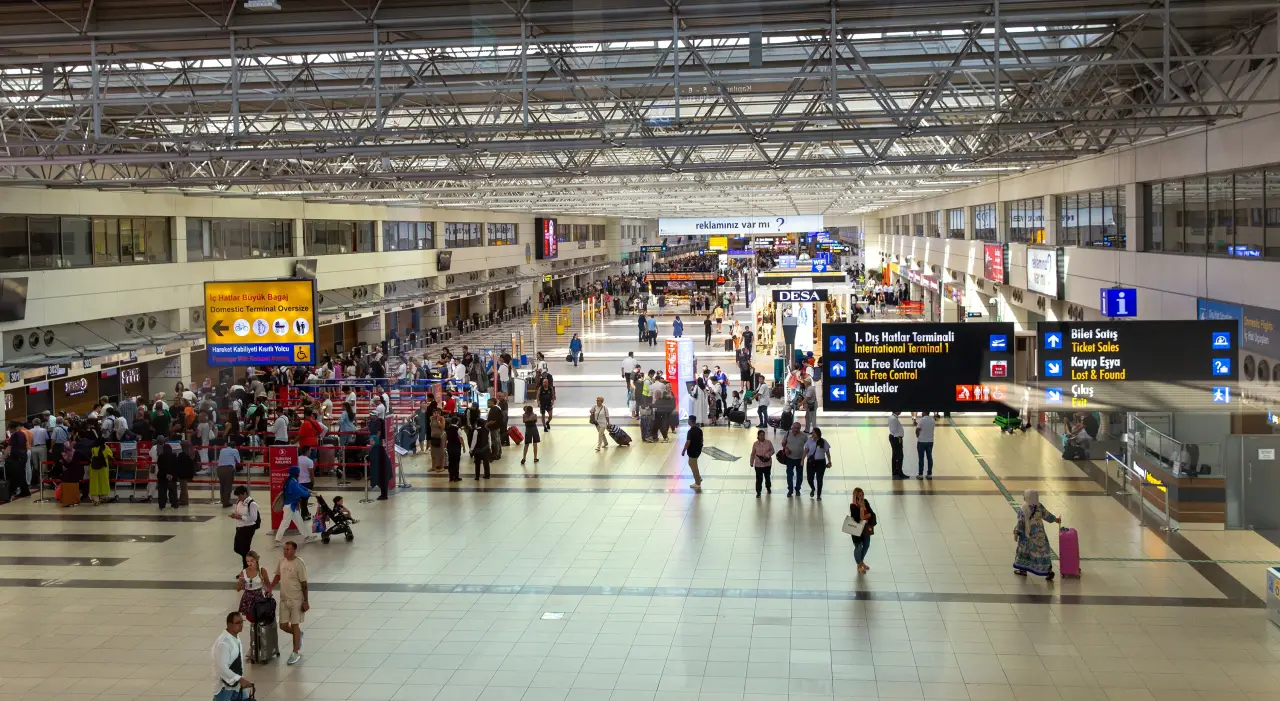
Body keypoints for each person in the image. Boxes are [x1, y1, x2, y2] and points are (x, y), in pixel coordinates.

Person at [270, 541, 309, 665]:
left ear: (294, 550)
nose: (285, 551)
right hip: (284, 599)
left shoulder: (299, 564)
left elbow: (304, 584)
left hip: (296, 599)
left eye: (288, 549)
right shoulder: (281, 561)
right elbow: (278, 575)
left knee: (295, 624)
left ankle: (295, 651)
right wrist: (270, 587)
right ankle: (298, 635)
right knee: (283, 625)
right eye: (284, 549)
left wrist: (306, 601)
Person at [1013, 489, 1060, 580]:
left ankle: (1023, 570)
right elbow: (1047, 515)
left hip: (1027, 535)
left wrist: (1016, 533)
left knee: (1025, 551)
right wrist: (1055, 519)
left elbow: (1020, 522)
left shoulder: (1023, 508)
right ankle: (1048, 570)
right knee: (1043, 551)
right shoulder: (1039, 506)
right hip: (1040, 534)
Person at [212, 611, 254, 701]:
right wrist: (240, 679)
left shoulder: (235, 637)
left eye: (242, 622)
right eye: (238, 623)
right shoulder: (223, 643)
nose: (241, 625)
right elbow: (222, 669)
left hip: (236, 686)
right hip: (225, 689)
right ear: (229, 625)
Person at [275, 466, 316, 545]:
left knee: (299, 522)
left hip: (292, 506)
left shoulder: (291, 480)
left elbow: (300, 487)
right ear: (296, 473)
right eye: (298, 472)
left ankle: (307, 537)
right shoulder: (292, 483)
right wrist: (310, 494)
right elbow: (300, 492)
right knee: (285, 523)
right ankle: (277, 540)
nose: (299, 473)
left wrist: (309, 490)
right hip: (290, 506)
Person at [230, 486, 260, 568]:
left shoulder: (252, 504)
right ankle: (251, 559)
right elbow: (238, 512)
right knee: (237, 548)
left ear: (245, 493)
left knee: (244, 550)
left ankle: (246, 569)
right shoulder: (239, 501)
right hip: (239, 528)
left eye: (240, 495)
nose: (239, 497)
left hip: (248, 529)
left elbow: (254, 518)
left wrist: (240, 517)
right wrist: (235, 515)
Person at [236, 550, 270, 623]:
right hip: (248, 596)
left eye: (252, 561)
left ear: (256, 560)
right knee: (251, 618)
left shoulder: (262, 570)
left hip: (259, 595)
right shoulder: (244, 572)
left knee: (259, 617)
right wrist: (241, 581)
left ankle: (258, 631)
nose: (249, 563)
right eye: (247, 561)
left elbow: (267, 584)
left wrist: (268, 593)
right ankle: (254, 632)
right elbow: (238, 589)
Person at [849, 488, 877, 574]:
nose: (861, 497)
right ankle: (859, 565)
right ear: (855, 496)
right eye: (859, 495)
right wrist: (862, 509)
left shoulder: (866, 502)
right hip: (857, 531)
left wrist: (866, 515)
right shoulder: (853, 506)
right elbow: (859, 518)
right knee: (859, 547)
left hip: (866, 529)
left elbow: (871, 513)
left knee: (866, 545)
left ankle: (861, 562)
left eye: (862, 495)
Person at [803, 427, 832, 500]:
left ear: (818, 433)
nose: (812, 434)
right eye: (812, 432)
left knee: (819, 479)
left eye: (813, 432)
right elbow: (806, 451)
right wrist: (802, 459)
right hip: (811, 462)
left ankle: (819, 495)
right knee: (810, 479)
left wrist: (829, 461)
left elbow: (827, 452)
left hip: (821, 462)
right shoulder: (809, 441)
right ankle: (813, 488)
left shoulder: (823, 441)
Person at [781, 421, 807, 498]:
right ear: (792, 427)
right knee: (789, 475)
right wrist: (785, 448)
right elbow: (783, 443)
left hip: (800, 459)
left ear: (800, 429)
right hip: (789, 459)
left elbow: (808, 446)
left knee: (799, 475)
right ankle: (790, 490)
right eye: (794, 428)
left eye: (798, 428)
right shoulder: (788, 434)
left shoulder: (804, 436)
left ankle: (798, 489)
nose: (796, 430)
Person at [87, 434, 112, 505]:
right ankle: (103, 497)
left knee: (94, 483)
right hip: (103, 468)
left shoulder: (93, 449)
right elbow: (110, 455)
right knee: (103, 482)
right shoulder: (106, 448)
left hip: (93, 468)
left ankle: (95, 499)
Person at [215, 440, 241, 508]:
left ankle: (223, 501)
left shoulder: (222, 450)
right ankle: (226, 503)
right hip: (228, 469)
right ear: (234, 446)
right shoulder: (235, 450)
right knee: (228, 486)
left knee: (222, 486)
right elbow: (238, 461)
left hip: (219, 469)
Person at [681, 416, 703, 491]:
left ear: (691, 421)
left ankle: (697, 483)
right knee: (691, 463)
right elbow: (702, 440)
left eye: (688, 420)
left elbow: (688, 442)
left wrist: (684, 450)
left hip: (693, 450)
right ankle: (698, 478)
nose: (687, 421)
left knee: (694, 466)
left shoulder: (690, 432)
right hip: (698, 450)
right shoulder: (699, 430)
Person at [155, 442, 180, 511]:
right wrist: (171, 475)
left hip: (163, 477)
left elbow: (160, 467)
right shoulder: (174, 456)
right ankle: (174, 505)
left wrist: (166, 474)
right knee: (173, 491)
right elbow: (176, 467)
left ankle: (162, 506)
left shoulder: (161, 457)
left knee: (162, 492)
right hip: (172, 477)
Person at [750, 429, 774, 498]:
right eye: (761, 435)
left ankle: (768, 487)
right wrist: (751, 462)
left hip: (767, 464)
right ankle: (758, 492)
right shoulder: (755, 444)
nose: (762, 436)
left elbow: (772, 450)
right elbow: (753, 454)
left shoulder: (768, 442)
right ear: (758, 436)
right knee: (759, 479)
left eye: (763, 435)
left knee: (767, 477)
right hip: (758, 465)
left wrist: (767, 455)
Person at [915, 412, 935, 479]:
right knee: (929, 457)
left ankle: (920, 474)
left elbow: (917, 429)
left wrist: (917, 435)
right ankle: (929, 474)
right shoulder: (932, 420)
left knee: (921, 458)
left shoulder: (922, 420)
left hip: (921, 441)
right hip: (930, 441)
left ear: (924, 412)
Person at [295, 451, 315, 520]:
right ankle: (303, 515)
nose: (310, 452)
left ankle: (306, 512)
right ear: (307, 451)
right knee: (304, 499)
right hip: (307, 482)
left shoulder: (296, 459)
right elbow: (311, 473)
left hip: (299, 482)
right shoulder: (309, 461)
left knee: (303, 499)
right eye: (309, 450)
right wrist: (313, 482)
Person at [444, 415, 463, 482]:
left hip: (450, 446)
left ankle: (451, 476)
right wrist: (463, 446)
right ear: (457, 422)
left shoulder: (447, 428)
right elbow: (460, 438)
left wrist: (445, 446)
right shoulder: (458, 429)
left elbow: (446, 438)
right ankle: (456, 476)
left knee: (451, 461)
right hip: (456, 447)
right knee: (456, 462)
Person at [888, 411, 906, 479]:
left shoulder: (892, 418)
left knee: (895, 455)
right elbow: (893, 430)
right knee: (900, 455)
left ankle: (895, 471)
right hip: (896, 438)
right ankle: (899, 472)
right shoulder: (894, 419)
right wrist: (899, 437)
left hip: (894, 437)